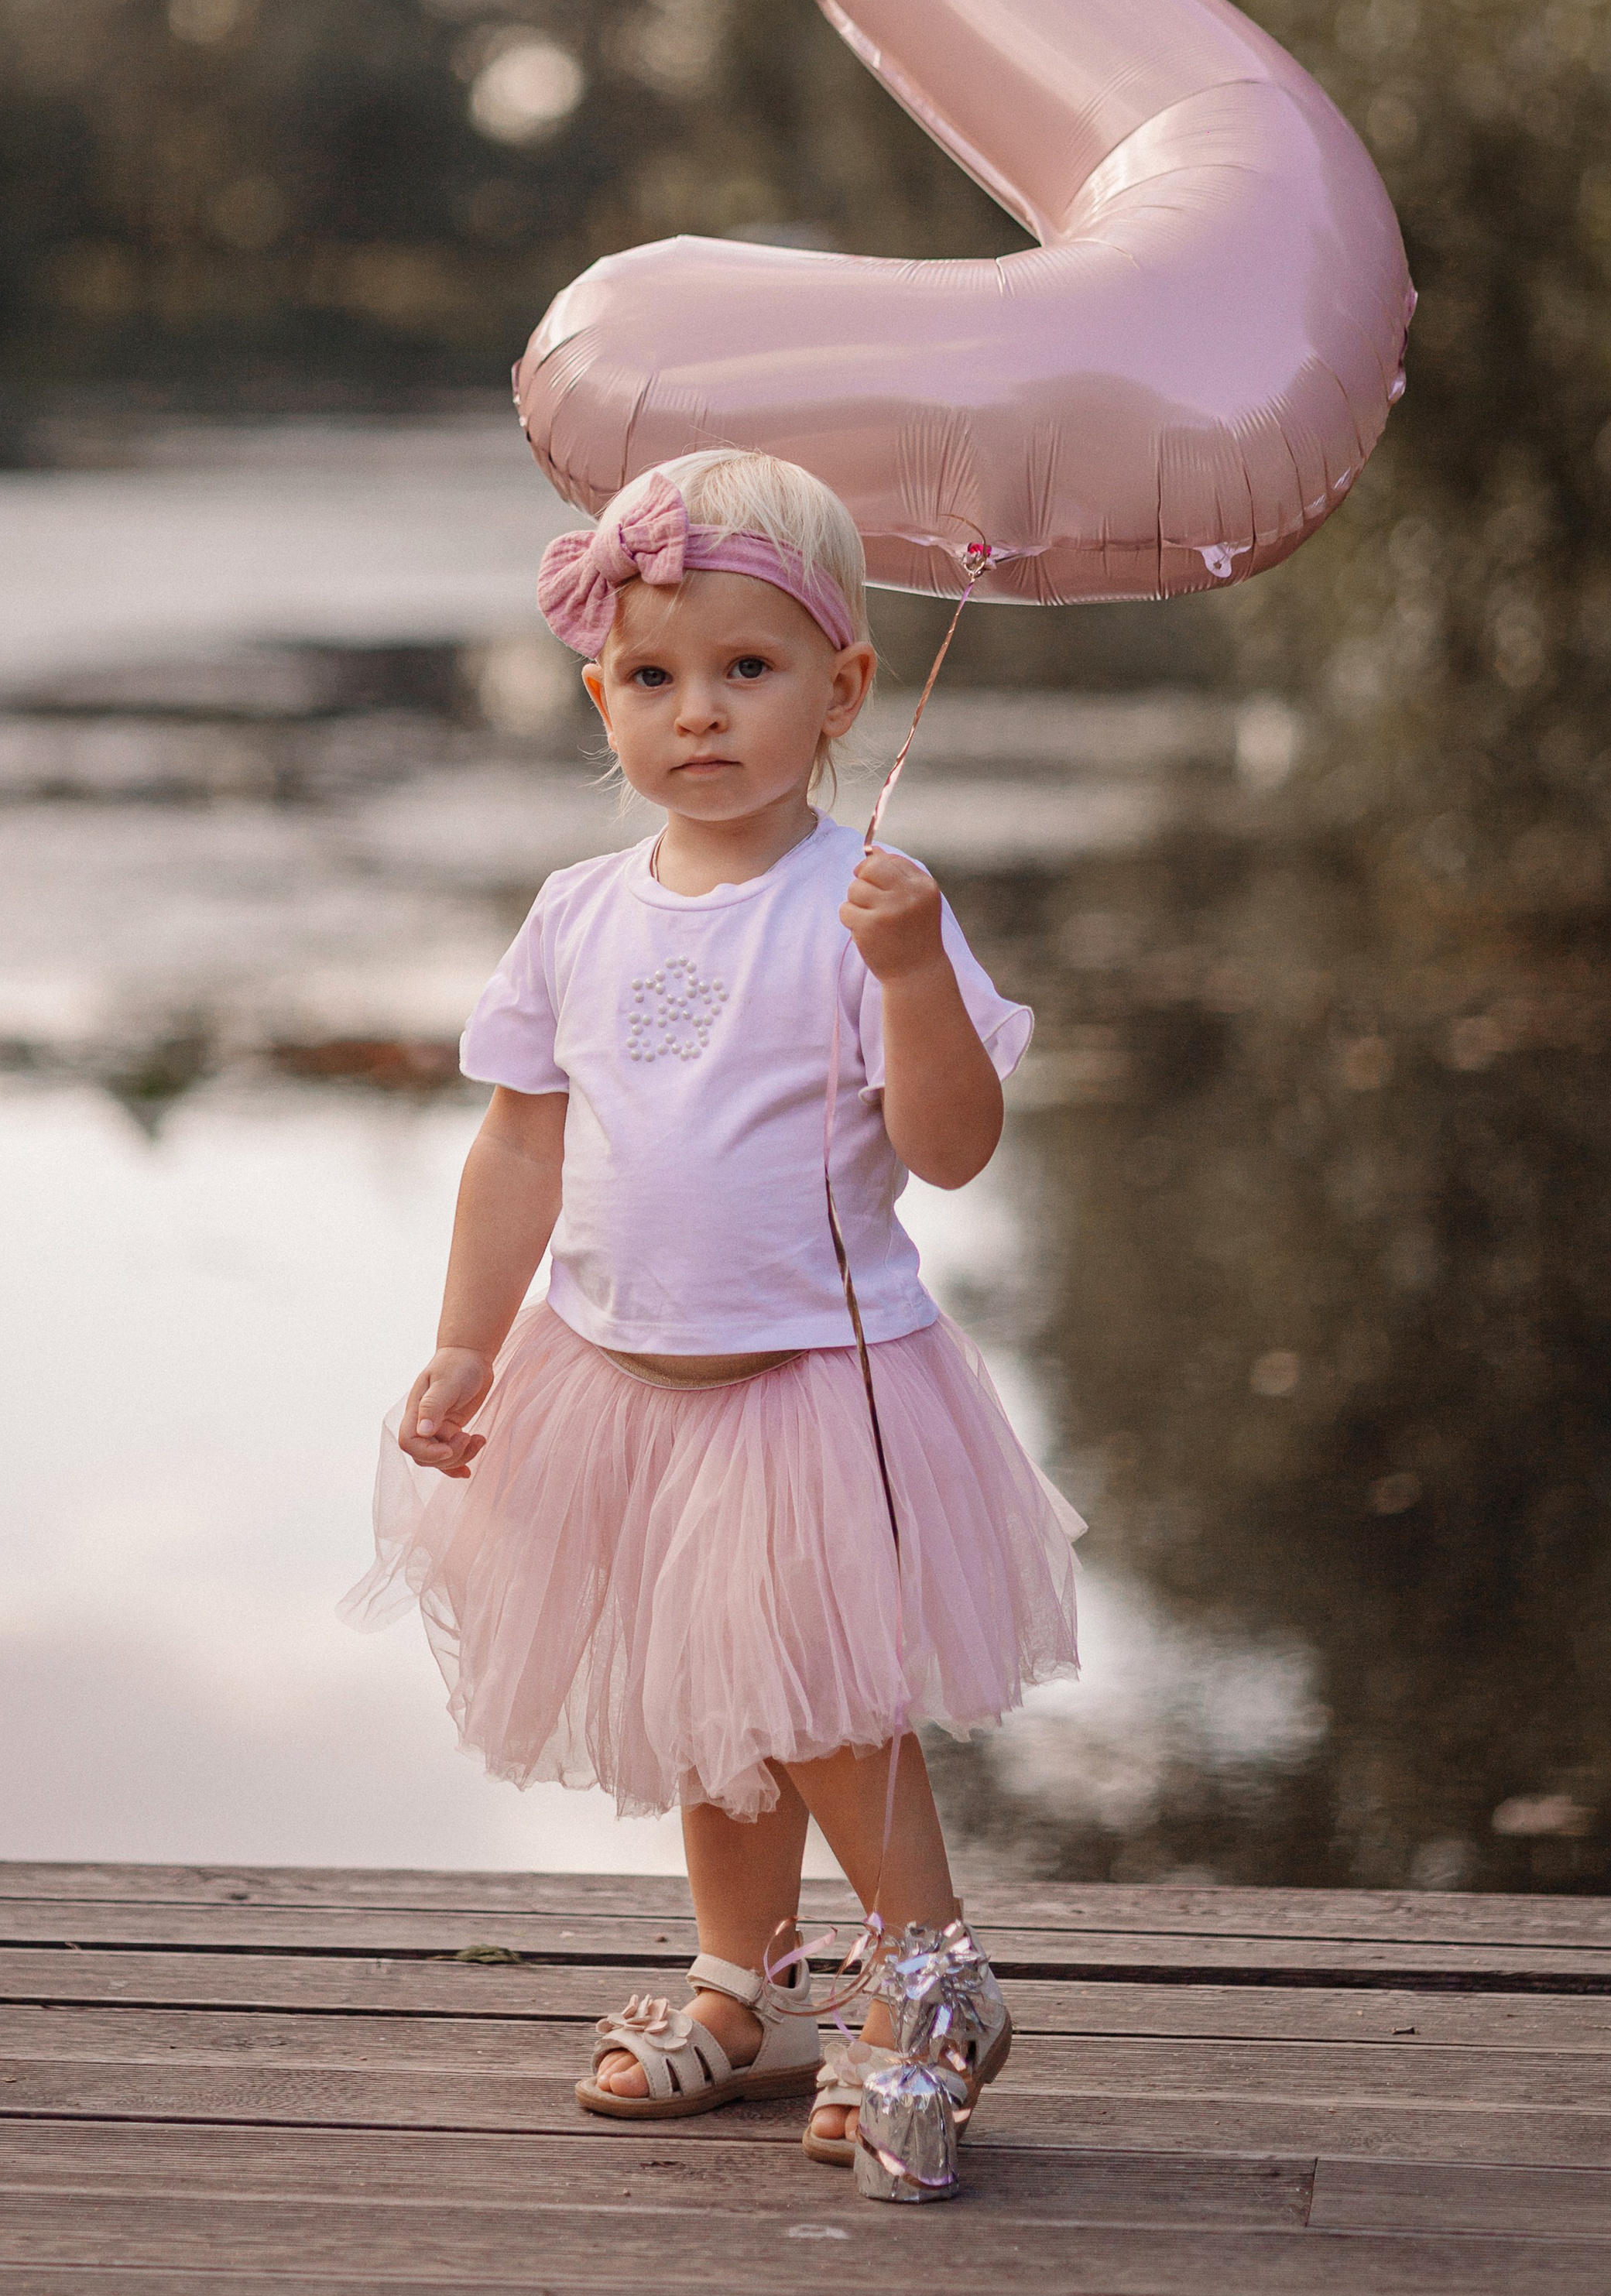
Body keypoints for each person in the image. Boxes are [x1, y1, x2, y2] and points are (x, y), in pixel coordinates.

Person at [341, 447, 1082, 2160]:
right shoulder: (577, 915)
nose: (698, 715)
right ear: (599, 691)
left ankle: (923, 1980)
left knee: (820, 1703)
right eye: (656, 679)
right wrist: (465, 1337)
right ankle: (740, 1983)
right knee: (700, 1699)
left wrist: (909, 980)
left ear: (842, 692)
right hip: (613, 1376)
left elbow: (952, 1150)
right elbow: (519, 1149)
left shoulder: (863, 907)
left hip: (815, 1382)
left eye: (747, 672)